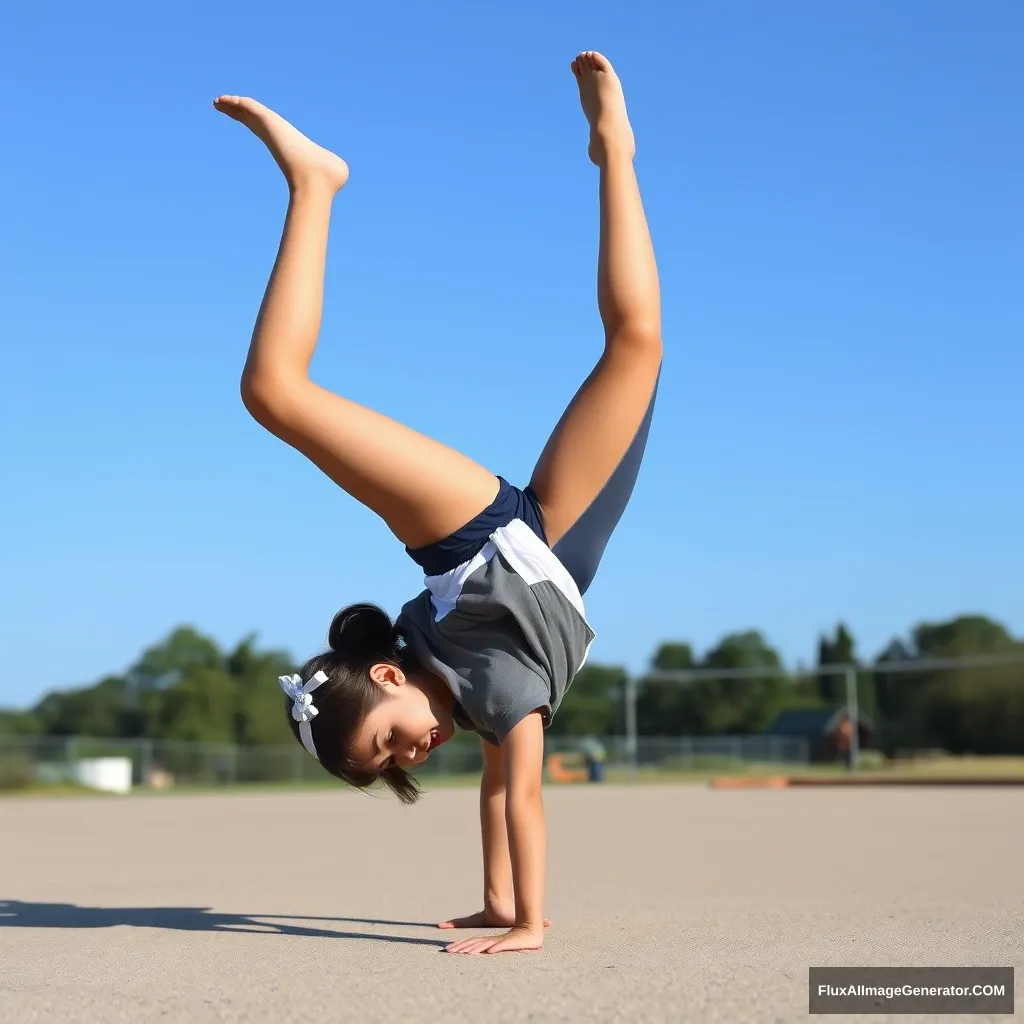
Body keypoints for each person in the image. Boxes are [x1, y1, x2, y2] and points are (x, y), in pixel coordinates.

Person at [213, 50, 662, 955]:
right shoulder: (485, 701)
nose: (409, 758)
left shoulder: (489, 687)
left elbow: (525, 795)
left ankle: (315, 183)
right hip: (543, 540)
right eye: (389, 768)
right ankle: (614, 153)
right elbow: (500, 790)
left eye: (386, 744)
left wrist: (531, 924)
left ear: (387, 678)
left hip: (477, 538)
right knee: (637, 344)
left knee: (275, 393)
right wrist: (499, 902)